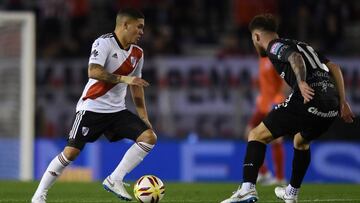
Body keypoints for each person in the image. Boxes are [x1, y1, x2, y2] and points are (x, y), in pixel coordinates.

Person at [221, 14, 354, 203]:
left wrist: (300, 82)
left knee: (256, 135)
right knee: (301, 141)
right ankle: (291, 193)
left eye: (253, 40)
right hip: (331, 105)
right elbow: (334, 66)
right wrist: (342, 102)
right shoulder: (302, 44)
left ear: (257, 37)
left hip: (309, 98)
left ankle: (247, 189)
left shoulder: (274, 46)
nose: (254, 44)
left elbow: (295, 57)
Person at [32, 8, 156, 203]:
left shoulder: (138, 54)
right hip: (91, 108)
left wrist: (143, 116)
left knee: (149, 137)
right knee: (71, 152)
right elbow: (94, 71)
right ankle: (39, 195)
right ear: (125, 25)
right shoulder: (103, 42)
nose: (142, 32)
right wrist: (125, 78)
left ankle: (115, 179)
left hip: (116, 112)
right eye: (139, 27)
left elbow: (137, 87)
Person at [245, 56, 286, 185]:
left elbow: (284, 83)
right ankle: (264, 173)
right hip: (262, 104)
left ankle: (279, 178)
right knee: (249, 133)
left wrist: (277, 102)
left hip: (274, 103)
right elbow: (265, 83)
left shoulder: (276, 59)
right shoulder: (262, 59)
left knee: (276, 139)